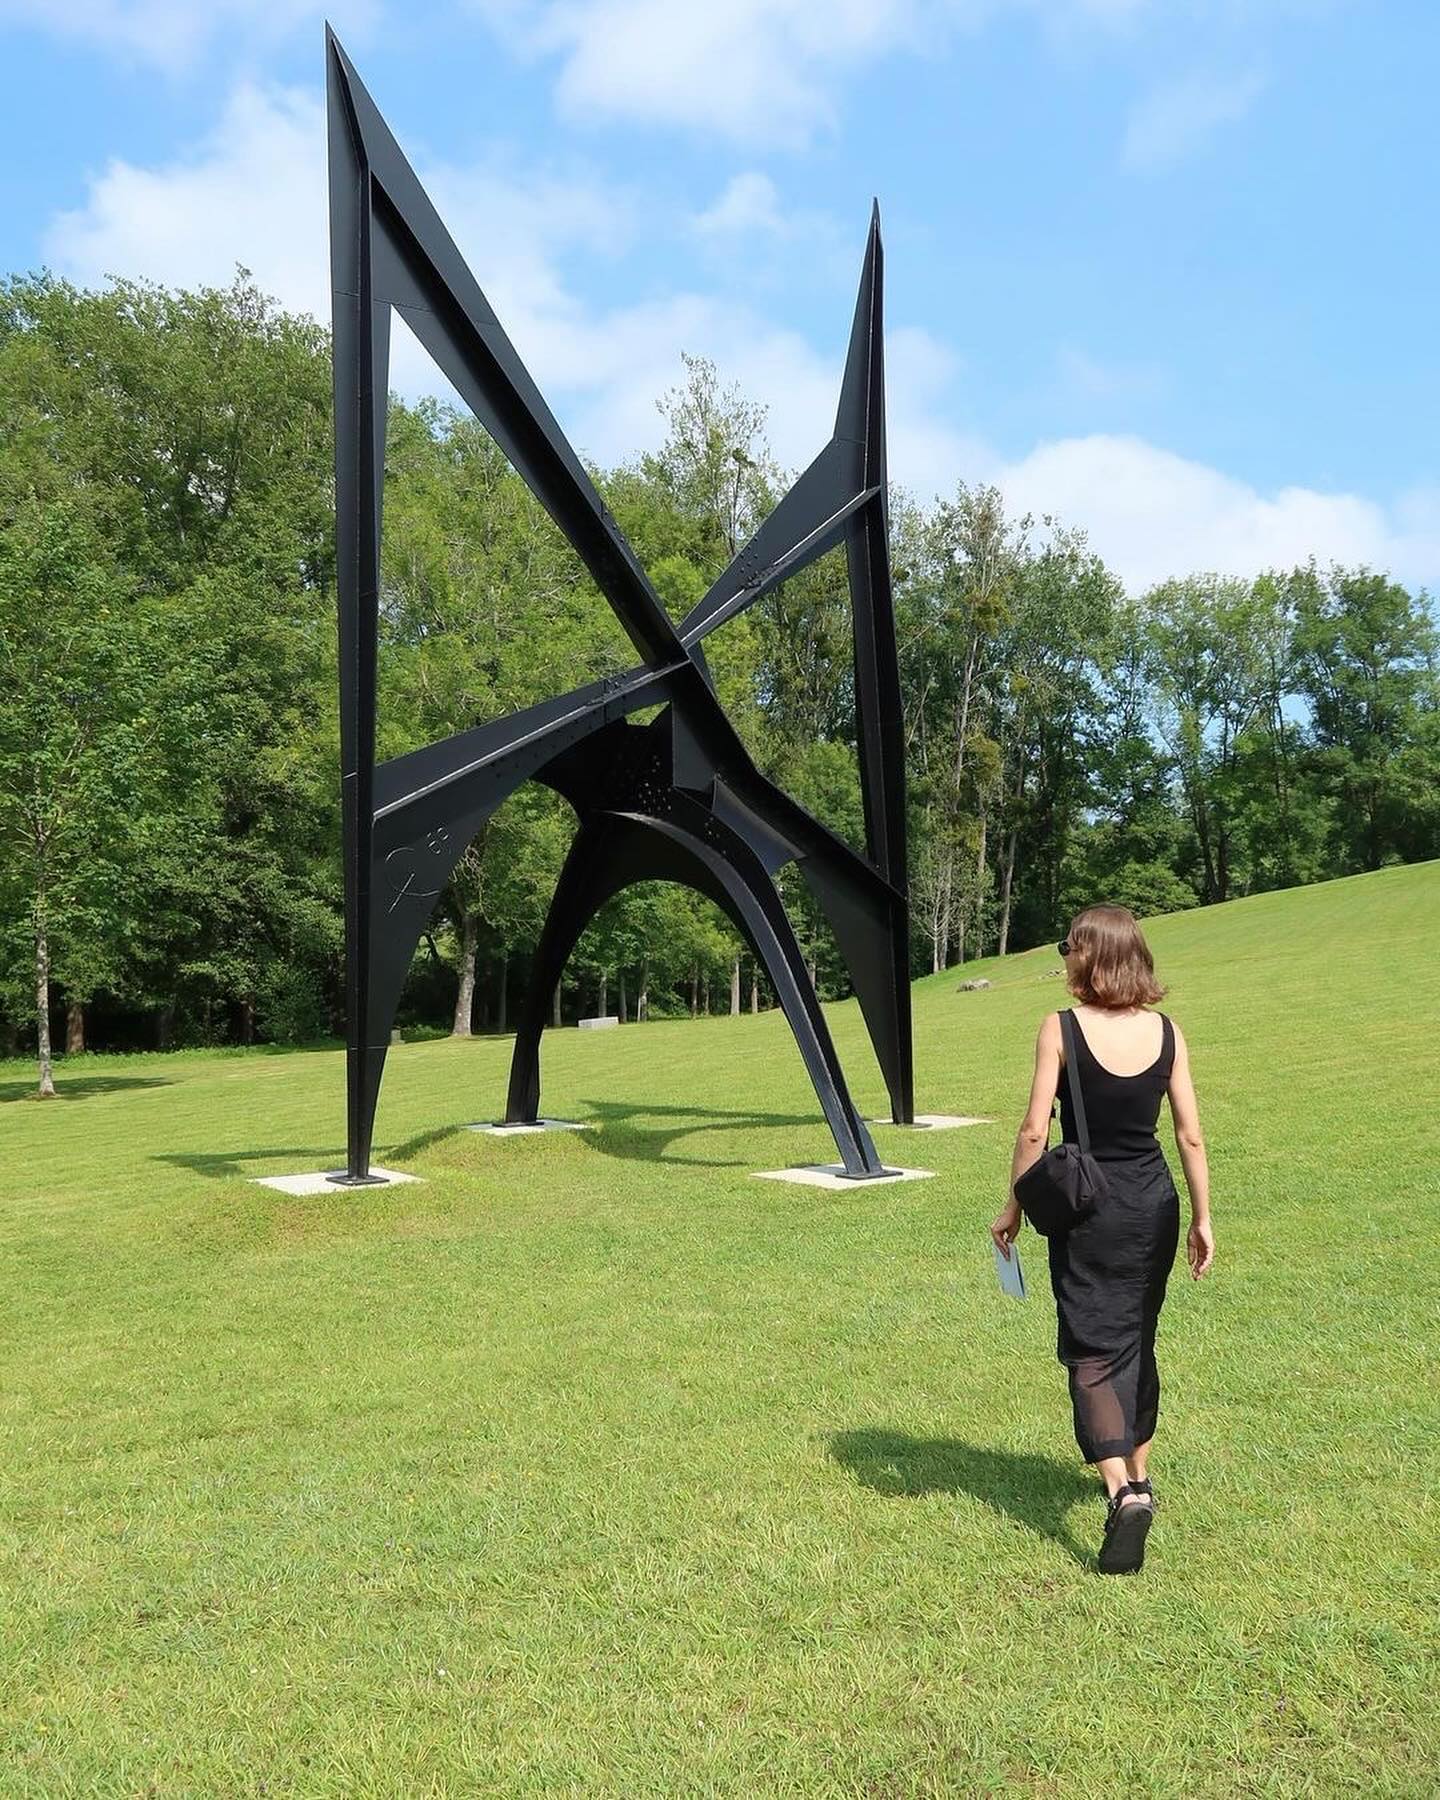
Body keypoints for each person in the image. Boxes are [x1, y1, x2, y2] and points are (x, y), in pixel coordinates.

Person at [990, 904, 1213, 1574]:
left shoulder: (1059, 1029)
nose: (1063, 956)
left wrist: (1014, 1205)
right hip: (1154, 1205)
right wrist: (1203, 1218)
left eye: (1068, 946)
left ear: (1089, 955)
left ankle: (1122, 1489)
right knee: (1136, 1337)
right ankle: (1140, 1476)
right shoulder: (1168, 1032)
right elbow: (1190, 1135)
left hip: (1088, 1207)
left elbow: (1035, 1131)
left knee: (1091, 1345)